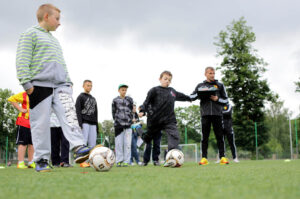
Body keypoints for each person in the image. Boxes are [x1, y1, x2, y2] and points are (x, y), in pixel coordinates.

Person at [15, 4, 91, 172]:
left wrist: (69, 82)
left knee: (69, 113)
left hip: (61, 85)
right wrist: (27, 85)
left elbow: (61, 62)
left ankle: (78, 147)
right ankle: (41, 159)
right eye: (57, 19)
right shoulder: (30, 34)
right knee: (40, 124)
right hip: (39, 86)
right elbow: (22, 59)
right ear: (46, 17)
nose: (59, 23)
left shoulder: (54, 40)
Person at [138, 71, 191, 167]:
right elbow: (146, 102)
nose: (167, 81)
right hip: (154, 120)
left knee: (173, 136)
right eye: (165, 79)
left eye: (169, 80)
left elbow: (182, 96)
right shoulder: (154, 90)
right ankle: (139, 131)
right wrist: (142, 110)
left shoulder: (172, 92)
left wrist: (190, 98)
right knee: (148, 140)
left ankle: (168, 158)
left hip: (168, 120)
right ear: (160, 79)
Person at [190, 66, 229, 165]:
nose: (212, 75)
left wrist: (217, 99)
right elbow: (192, 96)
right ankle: (204, 158)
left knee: (220, 136)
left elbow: (226, 100)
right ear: (205, 74)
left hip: (217, 114)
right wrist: (198, 94)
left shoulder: (220, 85)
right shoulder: (200, 85)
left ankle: (222, 157)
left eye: (213, 73)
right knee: (205, 137)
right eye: (210, 73)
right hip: (205, 114)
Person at [7, 92, 35, 169]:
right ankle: (20, 163)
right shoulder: (24, 94)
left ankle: (31, 162)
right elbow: (11, 99)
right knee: (23, 143)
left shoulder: (39, 94)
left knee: (32, 144)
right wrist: (20, 109)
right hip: (23, 122)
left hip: (34, 123)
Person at [75, 80, 98, 168]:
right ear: (83, 86)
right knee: (83, 143)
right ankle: (83, 161)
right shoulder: (80, 97)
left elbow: (96, 112)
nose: (89, 87)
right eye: (88, 85)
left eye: (91, 85)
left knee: (92, 144)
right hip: (84, 122)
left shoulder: (93, 99)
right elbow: (77, 111)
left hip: (93, 123)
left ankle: (90, 161)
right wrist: (79, 124)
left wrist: (96, 126)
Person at [112, 84, 134, 167]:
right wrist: (117, 121)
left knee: (127, 144)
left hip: (128, 125)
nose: (124, 91)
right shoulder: (115, 100)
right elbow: (113, 113)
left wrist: (130, 120)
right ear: (119, 90)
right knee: (119, 144)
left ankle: (126, 161)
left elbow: (131, 111)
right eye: (122, 90)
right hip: (118, 126)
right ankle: (119, 161)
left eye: (125, 90)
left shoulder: (130, 100)